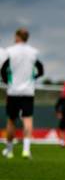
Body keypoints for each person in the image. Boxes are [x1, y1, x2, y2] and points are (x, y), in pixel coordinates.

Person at [1, 28, 44, 159]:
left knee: (11, 121)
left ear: (18, 36)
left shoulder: (10, 51)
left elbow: (3, 70)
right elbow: (41, 70)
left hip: (13, 91)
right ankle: (26, 150)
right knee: (28, 120)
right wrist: (32, 80)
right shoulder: (33, 52)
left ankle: (9, 150)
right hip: (28, 92)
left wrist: (7, 82)